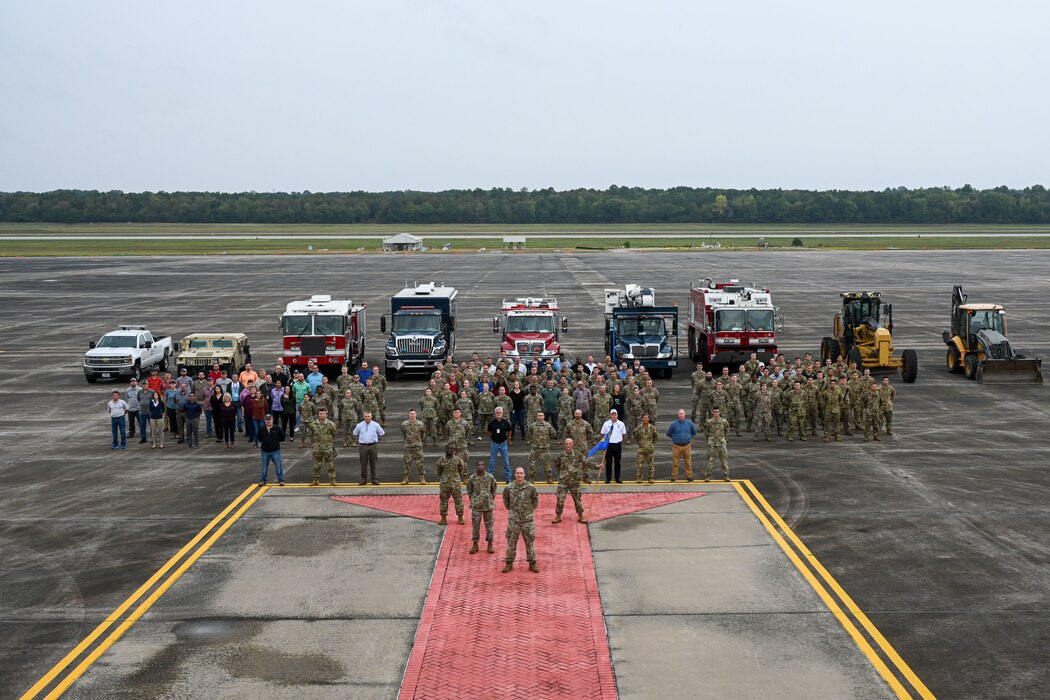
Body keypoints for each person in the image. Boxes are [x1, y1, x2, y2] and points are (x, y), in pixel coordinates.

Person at [552, 438, 600, 524]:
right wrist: (562, 474)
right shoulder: (560, 455)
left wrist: (597, 467)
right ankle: (558, 516)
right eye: (566, 444)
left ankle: (580, 516)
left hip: (575, 482)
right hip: (563, 482)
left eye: (570, 444)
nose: (568, 446)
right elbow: (556, 465)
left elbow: (587, 462)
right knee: (560, 500)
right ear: (564, 445)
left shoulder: (578, 454)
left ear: (573, 444)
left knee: (577, 500)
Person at [502, 466, 540, 574]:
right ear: (514, 474)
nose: (519, 475)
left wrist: (530, 510)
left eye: (521, 473)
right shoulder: (509, 487)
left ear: (524, 475)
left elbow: (535, 499)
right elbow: (506, 500)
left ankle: (532, 564)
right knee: (511, 542)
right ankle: (509, 563)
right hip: (514, 520)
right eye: (517, 473)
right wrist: (512, 510)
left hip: (527, 520)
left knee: (530, 543)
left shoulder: (530, 487)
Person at [466, 459, 497, 554]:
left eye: (482, 465)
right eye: (478, 465)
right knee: (475, 525)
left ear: (484, 466)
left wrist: (490, 498)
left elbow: (494, 489)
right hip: (476, 506)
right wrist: (474, 499)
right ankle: (475, 544)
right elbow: (469, 490)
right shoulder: (472, 478)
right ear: (476, 466)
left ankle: (490, 544)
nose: (480, 466)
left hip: (487, 505)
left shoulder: (489, 477)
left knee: (489, 526)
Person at [665, 408, 698, 482]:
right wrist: (675, 438)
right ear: (678, 415)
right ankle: (674, 476)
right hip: (676, 446)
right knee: (675, 462)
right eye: (680, 414)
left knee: (688, 462)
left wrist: (688, 438)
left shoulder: (690, 424)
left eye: (682, 413)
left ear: (684, 414)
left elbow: (694, 433)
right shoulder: (673, 424)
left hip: (687, 446)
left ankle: (689, 476)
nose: (681, 415)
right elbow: (668, 434)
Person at [436, 444, 465, 526]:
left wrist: (456, 478)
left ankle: (460, 517)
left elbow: (461, 470)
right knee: (443, 502)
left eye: (451, 448)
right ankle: (443, 518)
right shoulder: (441, 460)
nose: (449, 450)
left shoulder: (458, 460)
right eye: (448, 448)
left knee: (458, 500)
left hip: (455, 484)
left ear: (454, 450)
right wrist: (444, 478)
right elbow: (439, 471)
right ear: (445, 449)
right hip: (445, 484)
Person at [308, 408, 339, 485]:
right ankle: (315, 479)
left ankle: (332, 480)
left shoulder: (331, 424)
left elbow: (334, 433)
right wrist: (315, 444)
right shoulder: (313, 424)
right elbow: (311, 435)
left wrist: (328, 442)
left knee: (330, 465)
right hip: (317, 448)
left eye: (323, 413)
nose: (321, 415)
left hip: (327, 448)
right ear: (318, 414)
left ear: (326, 414)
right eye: (320, 413)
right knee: (316, 465)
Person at [353, 411, 385, 485]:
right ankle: (363, 480)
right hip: (363, 446)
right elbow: (355, 433)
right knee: (363, 463)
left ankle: (374, 479)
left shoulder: (375, 425)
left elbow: (382, 433)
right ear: (363, 417)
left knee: (373, 463)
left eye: (368, 416)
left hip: (373, 446)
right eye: (366, 416)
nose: (367, 418)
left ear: (371, 417)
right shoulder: (359, 425)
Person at [528, 411, 557, 483]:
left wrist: (546, 439)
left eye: (541, 415)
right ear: (536, 417)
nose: (540, 417)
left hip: (545, 449)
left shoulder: (548, 425)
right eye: (538, 415)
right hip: (535, 448)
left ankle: (549, 478)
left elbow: (553, 433)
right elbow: (529, 433)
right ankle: (531, 478)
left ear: (544, 416)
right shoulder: (532, 426)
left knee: (547, 465)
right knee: (532, 465)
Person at [599, 409, 627, 483]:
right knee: (608, 463)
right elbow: (602, 433)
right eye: (612, 414)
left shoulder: (621, 424)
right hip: (609, 445)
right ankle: (608, 478)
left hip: (617, 445)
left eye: (615, 414)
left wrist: (619, 440)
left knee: (617, 463)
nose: (613, 416)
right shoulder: (606, 424)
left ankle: (617, 478)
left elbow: (623, 434)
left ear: (617, 415)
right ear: (610, 415)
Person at [704, 407, 731, 481]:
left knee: (724, 461)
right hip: (712, 444)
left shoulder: (724, 421)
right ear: (712, 412)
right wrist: (709, 439)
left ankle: (726, 476)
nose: (716, 413)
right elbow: (706, 431)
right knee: (710, 461)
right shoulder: (709, 421)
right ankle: (708, 476)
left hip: (721, 444)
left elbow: (727, 430)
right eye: (715, 412)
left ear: (719, 412)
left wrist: (724, 438)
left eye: (717, 411)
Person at [401, 409, 427, 484]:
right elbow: (403, 433)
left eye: (413, 413)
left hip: (418, 447)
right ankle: (405, 478)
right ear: (409, 414)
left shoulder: (420, 424)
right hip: (408, 447)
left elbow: (423, 435)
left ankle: (422, 478)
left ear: (416, 414)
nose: (412, 415)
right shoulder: (404, 424)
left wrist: (419, 442)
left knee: (420, 463)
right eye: (411, 413)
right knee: (407, 463)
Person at [487, 406, 513, 483]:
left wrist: (507, 438)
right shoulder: (491, 423)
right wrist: (493, 438)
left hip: (503, 444)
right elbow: (489, 432)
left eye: (500, 412)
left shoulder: (506, 423)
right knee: (492, 462)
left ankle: (508, 478)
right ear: (495, 413)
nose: (498, 414)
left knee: (506, 462)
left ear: (502, 413)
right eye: (497, 412)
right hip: (494, 444)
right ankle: (490, 478)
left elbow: (509, 431)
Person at [257, 414, 285, 485]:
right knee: (264, 467)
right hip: (265, 451)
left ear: (272, 420)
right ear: (265, 420)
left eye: (269, 419)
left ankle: (281, 480)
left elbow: (282, 437)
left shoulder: (277, 428)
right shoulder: (262, 429)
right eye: (267, 419)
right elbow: (259, 438)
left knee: (278, 466)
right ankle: (263, 480)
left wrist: (275, 443)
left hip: (275, 451)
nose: (268, 421)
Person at [634, 414, 659, 483]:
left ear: (648, 419)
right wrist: (639, 444)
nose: (645, 419)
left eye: (647, 418)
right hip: (641, 449)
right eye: (644, 418)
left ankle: (650, 478)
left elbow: (656, 437)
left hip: (649, 449)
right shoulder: (638, 428)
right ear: (642, 419)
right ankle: (639, 478)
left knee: (650, 464)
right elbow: (635, 436)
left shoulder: (652, 428)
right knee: (639, 465)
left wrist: (652, 444)